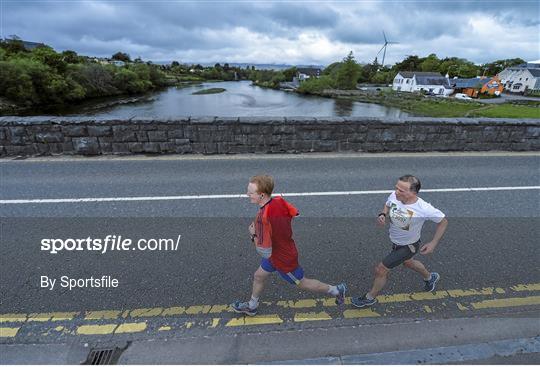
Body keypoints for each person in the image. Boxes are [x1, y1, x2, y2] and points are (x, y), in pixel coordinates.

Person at [231, 174, 347, 316]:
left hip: (282, 259)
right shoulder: (279, 201)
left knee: (303, 283)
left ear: (262, 195)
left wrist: (253, 234)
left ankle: (336, 290)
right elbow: (295, 212)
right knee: (259, 276)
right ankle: (252, 306)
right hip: (280, 250)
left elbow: (264, 252)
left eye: (250, 192)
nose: (247, 194)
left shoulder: (262, 219)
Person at [352, 174, 448, 308]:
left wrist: (433, 243)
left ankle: (369, 298)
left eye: (401, 190)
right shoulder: (395, 196)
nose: (396, 192)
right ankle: (430, 277)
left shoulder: (424, 208)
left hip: (409, 246)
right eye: (396, 188)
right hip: (396, 243)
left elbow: (443, 222)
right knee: (408, 263)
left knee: (381, 269)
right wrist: (382, 214)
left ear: (413, 192)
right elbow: (387, 204)